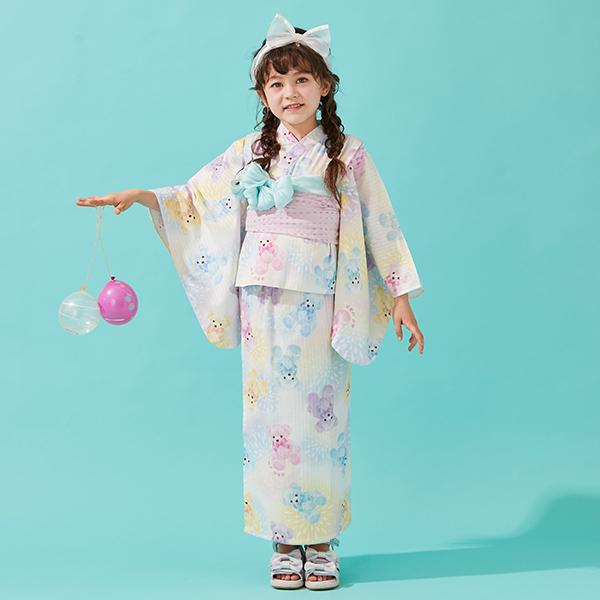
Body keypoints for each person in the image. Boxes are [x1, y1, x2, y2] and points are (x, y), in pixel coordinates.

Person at [76, 13, 425, 591]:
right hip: (263, 300)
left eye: (302, 80)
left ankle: (321, 539)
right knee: (270, 421)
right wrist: (145, 197)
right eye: (276, 83)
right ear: (263, 95)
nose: (290, 93)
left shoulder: (348, 154)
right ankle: (284, 539)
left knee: (322, 419)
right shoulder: (251, 151)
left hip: (323, 297)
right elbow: (196, 200)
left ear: (325, 86)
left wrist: (402, 296)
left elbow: (381, 225)